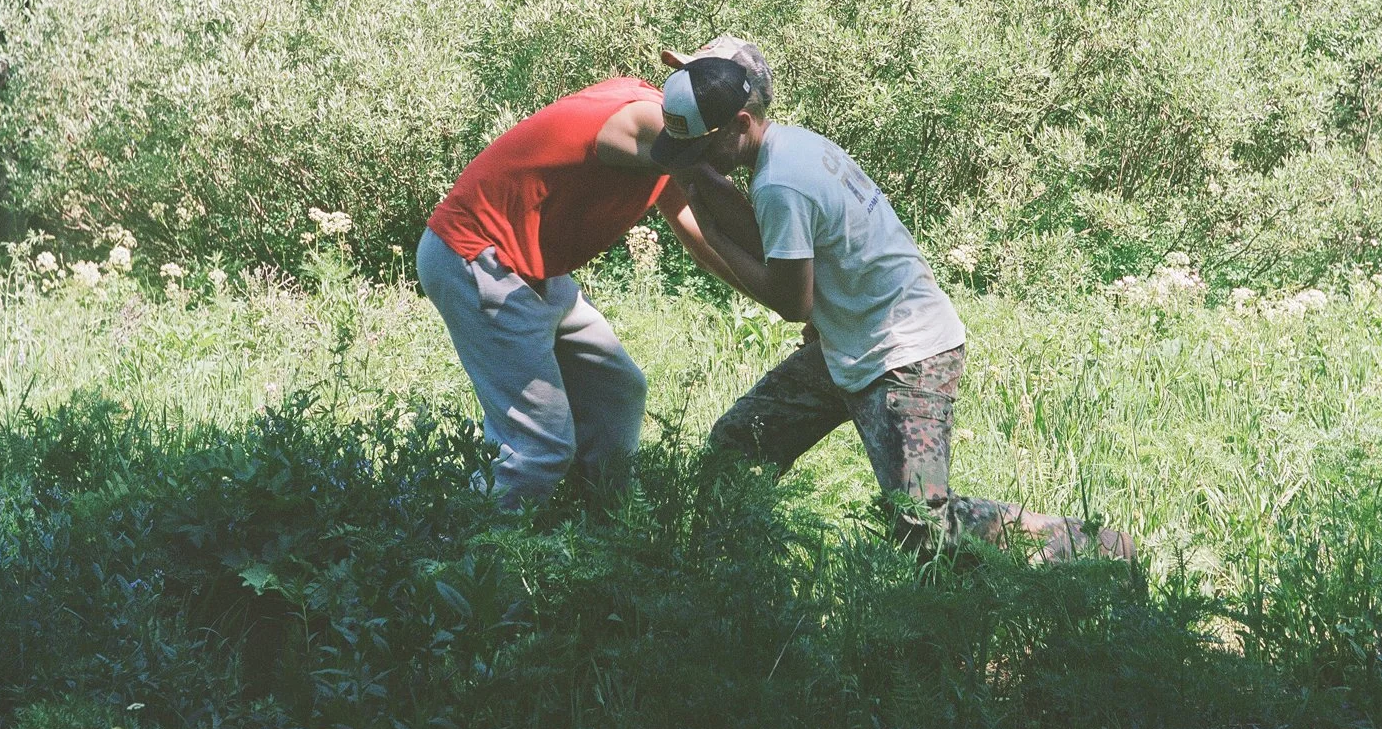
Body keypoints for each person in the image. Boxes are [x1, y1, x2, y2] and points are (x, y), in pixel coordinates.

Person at [655, 40, 1135, 563]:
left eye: (702, 149)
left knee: (925, 527)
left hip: (907, 357)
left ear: (741, 124)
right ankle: (735, 582)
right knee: (736, 447)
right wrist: (826, 319)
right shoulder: (794, 145)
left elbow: (791, 301)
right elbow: (843, 253)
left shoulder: (779, 185)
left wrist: (713, 236)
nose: (698, 164)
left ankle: (1097, 549)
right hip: (854, 344)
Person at [417, 68, 743, 512]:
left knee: (616, 390)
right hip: (475, 256)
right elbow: (708, 187)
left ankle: (605, 529)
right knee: (536, 449)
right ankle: (456, 555)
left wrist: (788, 299)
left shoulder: (672, 131)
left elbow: (702, 237)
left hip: (534, 266)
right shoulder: (636, 127)